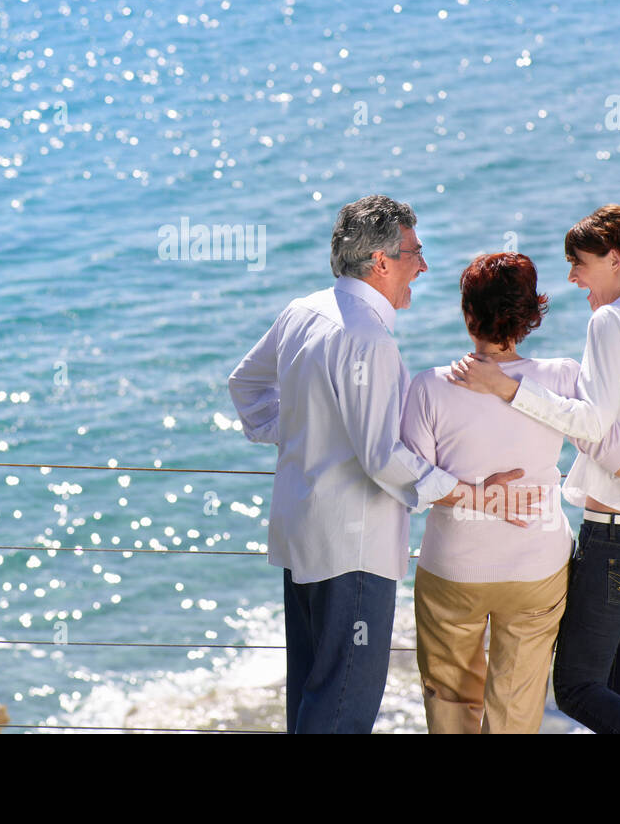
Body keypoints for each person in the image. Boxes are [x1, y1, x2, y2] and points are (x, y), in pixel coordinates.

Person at [228, 195, 538, 734]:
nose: (424, 265)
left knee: (311, 696)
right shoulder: (367, 339)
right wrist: (473, 494)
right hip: (352, 550)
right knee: (343, 708)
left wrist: (303, 432)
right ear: (381, 261)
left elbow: (246, 386)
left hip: (301, 534)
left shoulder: (304, 310)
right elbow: (382, 457)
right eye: (415, 253)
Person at [449, 205, 620, 734]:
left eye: (578, 263)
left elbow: (592, 423)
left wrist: (507, 388)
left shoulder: (612, 321)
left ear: (615, 259)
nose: (573, 278)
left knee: (578, 689)